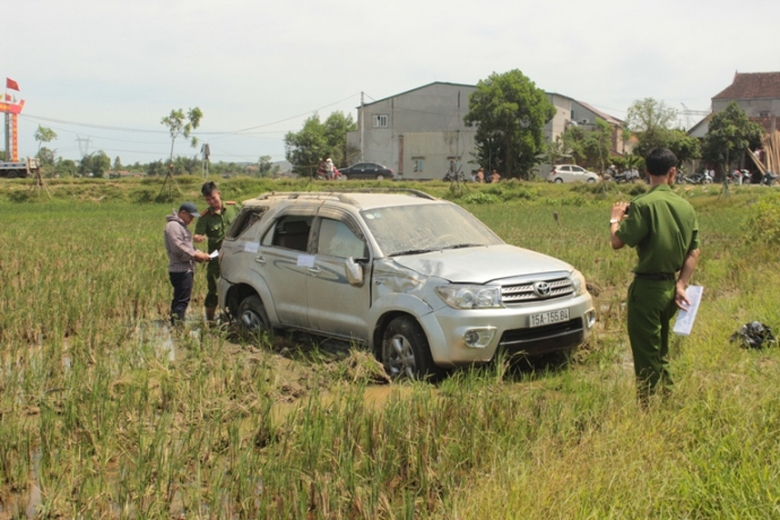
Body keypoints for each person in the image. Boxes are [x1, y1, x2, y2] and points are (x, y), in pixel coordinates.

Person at [609, 148, 700, 404]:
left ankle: (648, 406)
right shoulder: (686, 207)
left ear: (646, 172)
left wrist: (615, 219)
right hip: (671, 288)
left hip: (647, 290)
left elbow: (617, 242)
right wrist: (681, 284)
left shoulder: (642, 205)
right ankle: (668, 398)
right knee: (661, 349)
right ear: (673, 172)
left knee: (645, 353)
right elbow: (694, 250)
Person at [194, 182, 242, 322]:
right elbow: (198, 233)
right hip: (216, 257)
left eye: (213, 198)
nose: (211, 202)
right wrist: (198, 237)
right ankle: (210, 320)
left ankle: (236, 317)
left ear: (219, 194)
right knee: (214, 288)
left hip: (235, 256)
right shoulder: (205, 216)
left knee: (238, 285)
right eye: (208, 200)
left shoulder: (234, 208)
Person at [164, 202, 211, 325]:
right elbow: (177, 247)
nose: (191, 220)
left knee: (180, 299)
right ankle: (178, 326)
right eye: (190, 217)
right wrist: (196, 255)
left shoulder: (181, 227)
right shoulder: (173, 226)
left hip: (186, 269)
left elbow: (190, 247)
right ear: (182, 213)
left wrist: (202, 254)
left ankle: (175, 322)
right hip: (180, 270)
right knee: (182, 301)